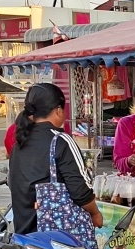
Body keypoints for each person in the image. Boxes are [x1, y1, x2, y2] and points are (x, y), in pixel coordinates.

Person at [8, 82, 103, 236]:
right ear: (58, 111)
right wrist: (95, 213)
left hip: (24, 236)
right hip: (54, 242)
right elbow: (81, 191)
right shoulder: (61, 140)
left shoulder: (19, 144)